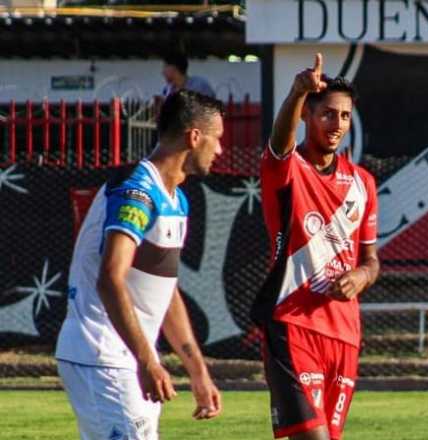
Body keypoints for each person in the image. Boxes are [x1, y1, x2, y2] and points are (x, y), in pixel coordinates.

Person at [55, 90, 225, 439]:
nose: (220, 150)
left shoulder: (175, 199)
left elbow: (164, 292)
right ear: (194, 137)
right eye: (217, 139)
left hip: (127, 360)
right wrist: (148, 362)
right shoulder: (137, 191)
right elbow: (110, 279)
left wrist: (197, 371)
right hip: (102, 355)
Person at [252, 54, 380, 440]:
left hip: (344, 333)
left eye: (344, 116)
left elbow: (372, 261)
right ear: (307, 115)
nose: (336, 124)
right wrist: (297, 91)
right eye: (327, 114)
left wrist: (361, 275)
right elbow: (279, 143)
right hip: (291, 325)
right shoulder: (287, 169)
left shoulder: (363, 185)